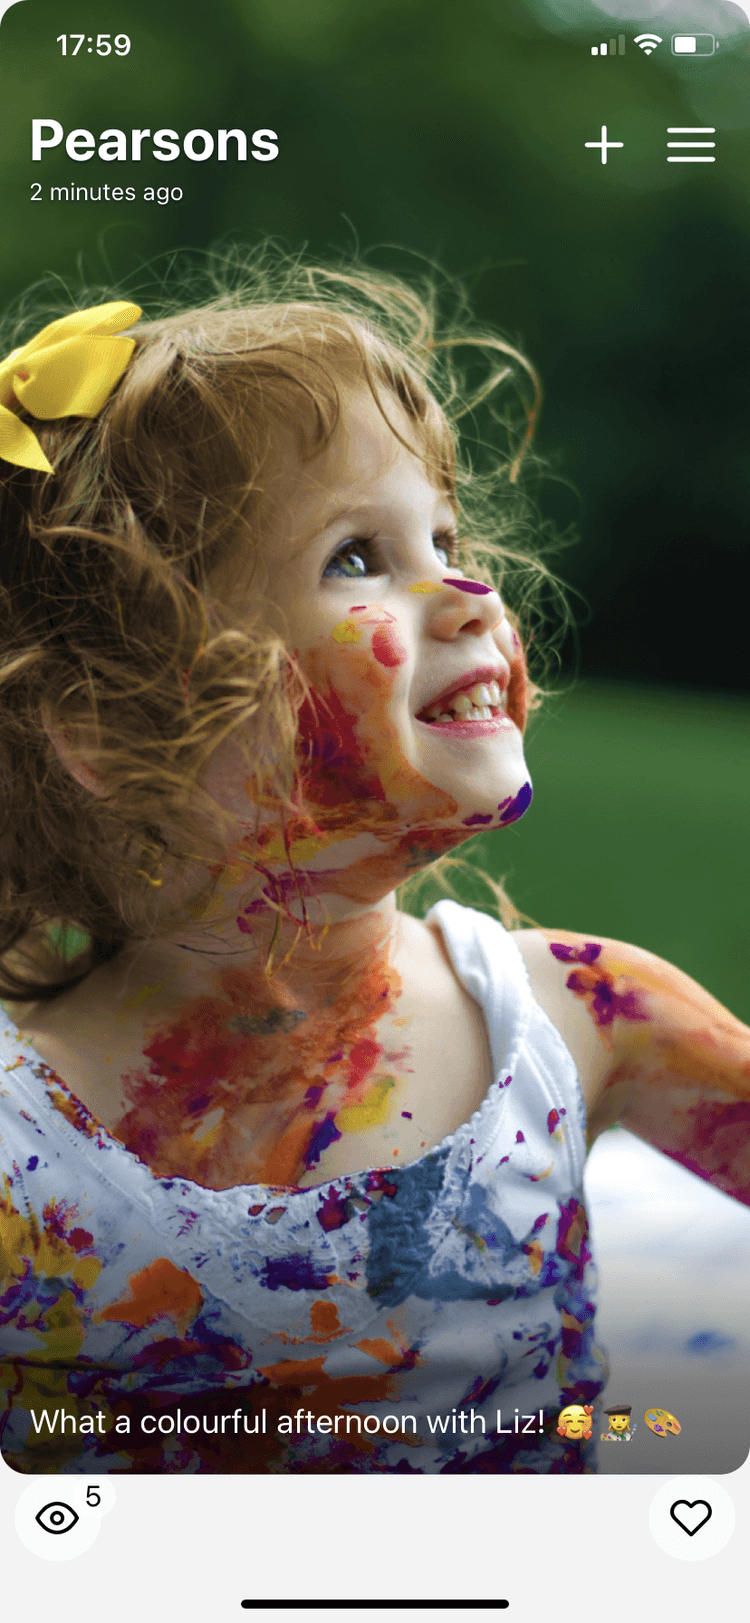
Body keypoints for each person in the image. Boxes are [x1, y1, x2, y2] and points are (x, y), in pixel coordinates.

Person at [0, 257, 747, 1475]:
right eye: (357, 555)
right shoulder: (25, 1139)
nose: (465, 590)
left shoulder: (576, 1016)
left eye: (445, 536)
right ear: (111, 730)